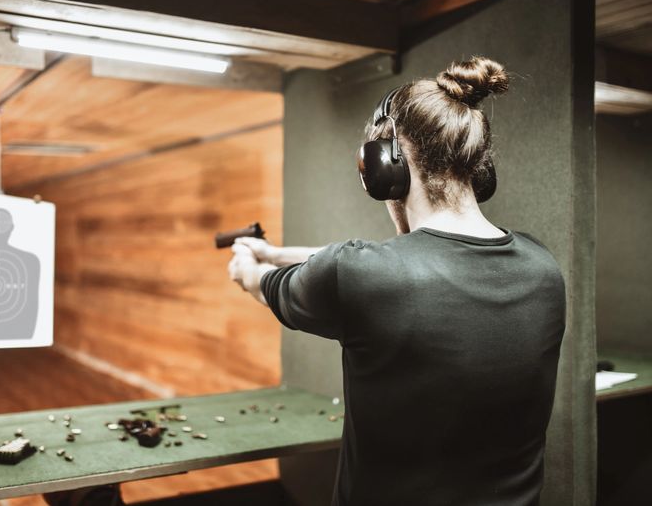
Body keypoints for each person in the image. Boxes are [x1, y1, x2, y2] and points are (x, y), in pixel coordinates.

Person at [227, 56, 566, 506]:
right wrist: (276, 251)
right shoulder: (543, 268)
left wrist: (250, 265)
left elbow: (267, 282)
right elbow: (389, 264)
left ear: (387, 166)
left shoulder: (360, 275)